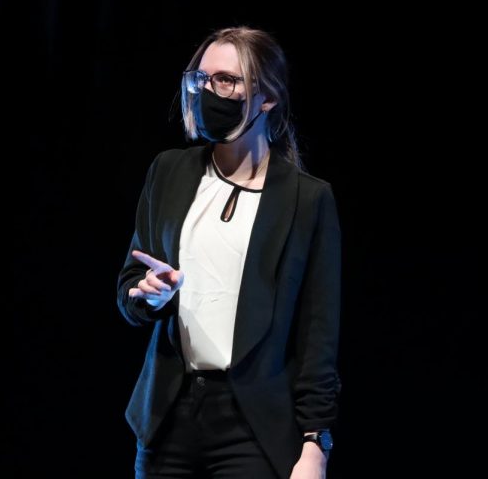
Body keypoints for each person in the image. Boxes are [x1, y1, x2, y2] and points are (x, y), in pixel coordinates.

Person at [116, 26, 342, 479]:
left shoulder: (306, 199)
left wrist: (315, 443)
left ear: (267, 98)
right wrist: (148, 297)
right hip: (169, 415)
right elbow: (129, 288)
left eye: (226, 80)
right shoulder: (170, 171)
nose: (209, 91)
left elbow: (318, 332)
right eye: (201, 79)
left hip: (252, 424)